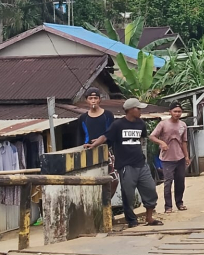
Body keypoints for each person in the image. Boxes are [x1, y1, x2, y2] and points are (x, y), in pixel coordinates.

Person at [87, 98, 163, 228]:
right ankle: (131, 220)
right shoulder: (118, 125)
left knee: (150, 189)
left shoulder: (141, 124)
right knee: (128, 194)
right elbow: (106, 136)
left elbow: (142, 140)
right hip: (126, 165)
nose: (140, 111)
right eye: (138, 109)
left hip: (141, 163)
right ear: (130, 110)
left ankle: (149, 218)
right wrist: (93, 145)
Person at [79, 87, 132, 222]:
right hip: (91, 153)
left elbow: (110, 132)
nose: (93, 101)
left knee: (113, 179)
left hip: (107, 150)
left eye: (95, 98)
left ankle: (107, 204)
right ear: (86, 100)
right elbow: (84, 135)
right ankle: (98, 211)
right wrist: (87, 144)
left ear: (99, 100)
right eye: (90, 98)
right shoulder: (83, 118)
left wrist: (100, 141)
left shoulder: (107, 114)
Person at [150, 101, 190, 214]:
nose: (177, 114)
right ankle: (168, 206)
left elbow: (184, 142)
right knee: (168, 182)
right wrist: (161, 143)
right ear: (170, 112)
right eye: (175, 111)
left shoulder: (183, 125)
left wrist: (186, 156)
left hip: (180, 157)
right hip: (167, 159)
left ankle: (179, 203)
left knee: (180, 181)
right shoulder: (163, 124)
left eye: (179, 112)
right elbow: (152, 136)